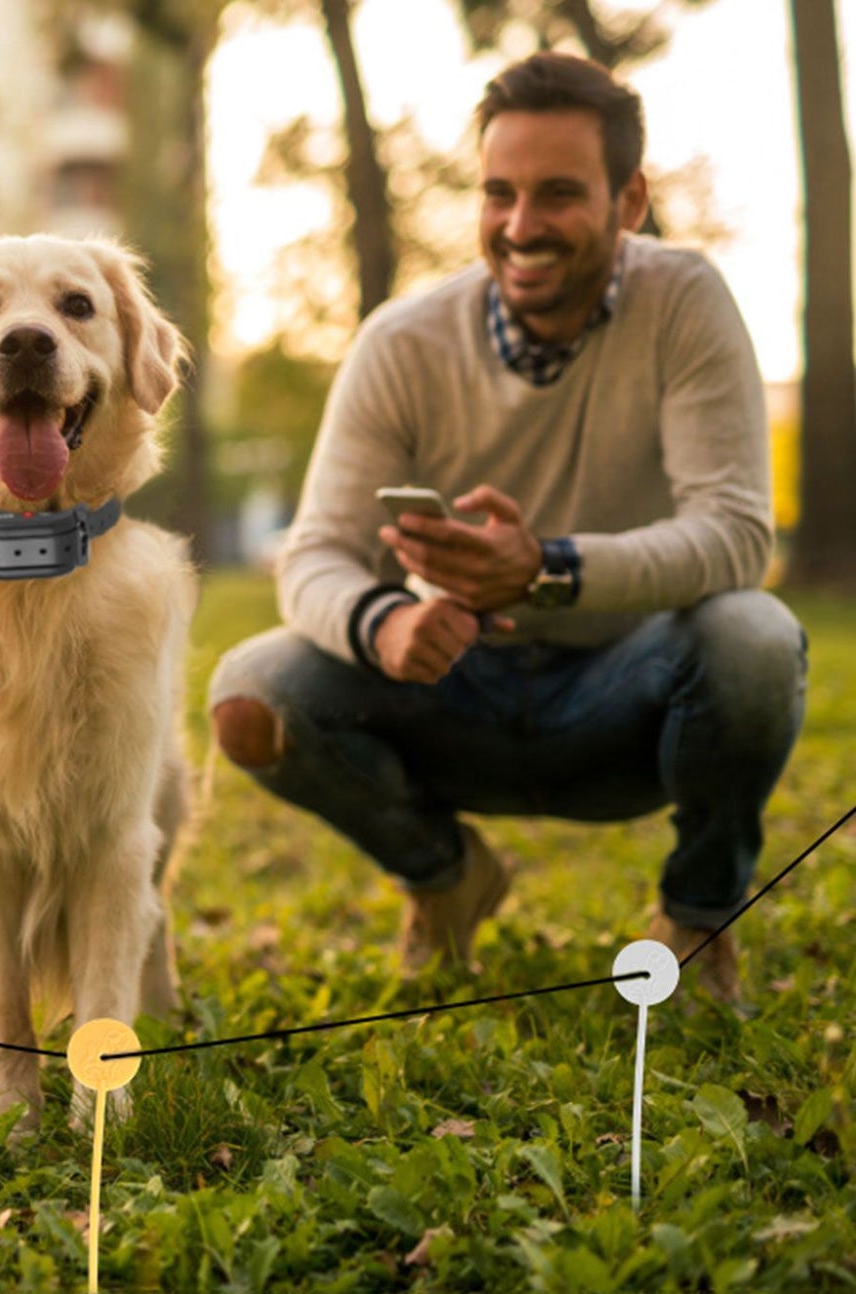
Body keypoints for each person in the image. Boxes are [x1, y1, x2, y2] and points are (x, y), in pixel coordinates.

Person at [208, 51, 806, 1001]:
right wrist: (387, 623)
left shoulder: (683, 302)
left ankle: (696, 919)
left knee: (756, 638)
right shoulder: (400, 343)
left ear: (628, 200)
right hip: (454, 693)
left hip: (629, 696)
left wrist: (547, 567)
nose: (519, 227)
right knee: (252, 690)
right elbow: (314, 553)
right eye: (498, 193)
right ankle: (444, 879)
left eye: (558, 194)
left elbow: (736, 534)